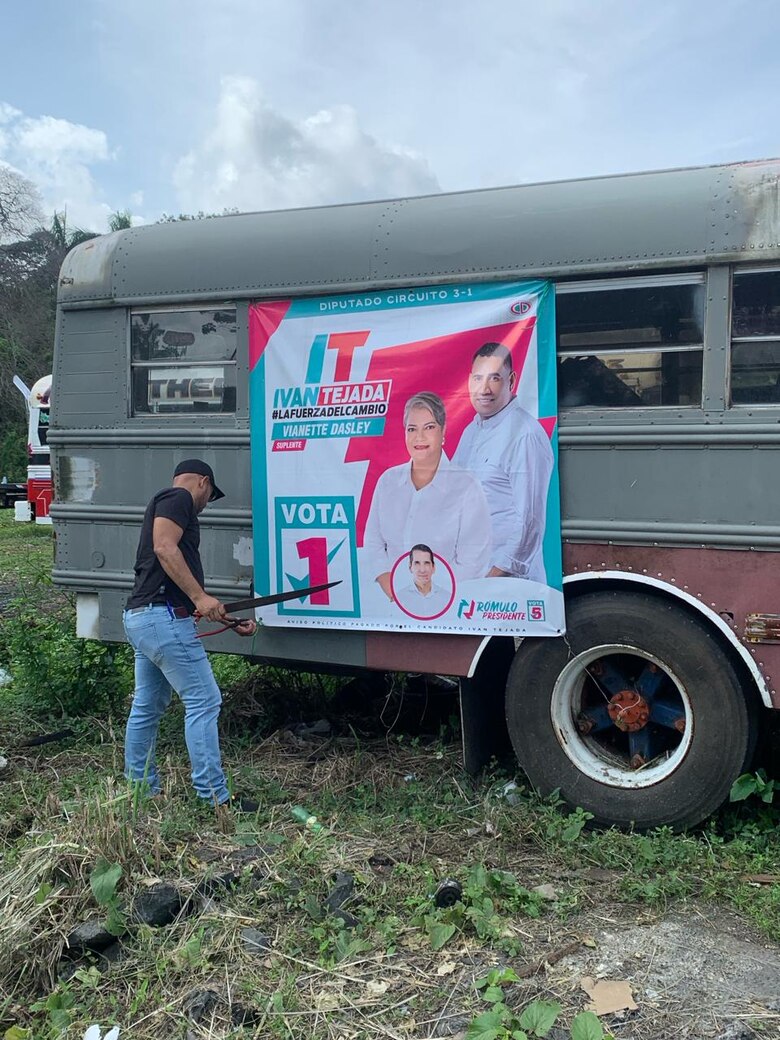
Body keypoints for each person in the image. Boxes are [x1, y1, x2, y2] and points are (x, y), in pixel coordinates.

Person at [123, 459, 258, 810]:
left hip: (143, 617)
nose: (206, 503)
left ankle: (140, 788)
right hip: (161, 618)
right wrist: (199, 596)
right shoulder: (178, 497)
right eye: (210, 495)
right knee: (204, 701)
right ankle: (214, 796)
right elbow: (164, 547)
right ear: (203, 482)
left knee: (148, 705)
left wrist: (227, 619)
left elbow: (169, 575)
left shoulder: (165, 502)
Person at [364, 391, 491, 600]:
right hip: (390, 602)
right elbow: (373, 542)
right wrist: (393, 589)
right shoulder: (388, 482)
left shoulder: (467, 486)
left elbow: (473, 560)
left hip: (447, 605)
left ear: (443, 431)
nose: (419, 437)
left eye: (429, 427)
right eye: (412, 429)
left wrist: (429, 596)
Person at [453, 342, 554, 584]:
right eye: (478, 378)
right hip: (472, 578)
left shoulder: (524, 435)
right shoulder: (471, 431)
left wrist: (492, 579)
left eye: (494, 378)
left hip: (507, 584)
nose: (484, 389)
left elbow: (529, 522)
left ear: (511, 380)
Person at [394, 544, 452, 617]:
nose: (422, 570)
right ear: (410, 567)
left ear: (433, 567)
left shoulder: (446, 598)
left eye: (426, 563)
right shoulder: (400, 598)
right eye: (417, 563)